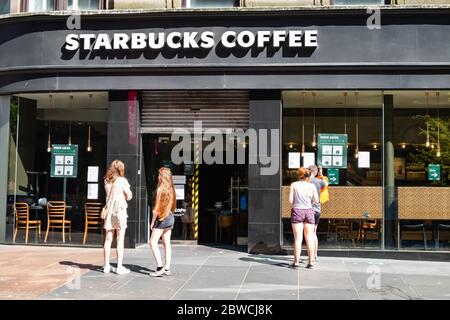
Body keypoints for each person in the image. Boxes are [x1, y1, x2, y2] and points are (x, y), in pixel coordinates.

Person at [103, 160, 133, 274]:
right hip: (119, 212)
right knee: (120, 239)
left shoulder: (107, 180)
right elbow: (129, 196)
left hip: (109, 212)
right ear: (121, 169)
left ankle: (106, 266)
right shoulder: (122, 180)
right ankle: (119, 267)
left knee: (108, 239)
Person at [289, 167, 319, 269]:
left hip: (297, 210)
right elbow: (316, 200)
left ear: (299, 175)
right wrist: (309, 202)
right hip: (309, 211)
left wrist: (297, 202)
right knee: (309, 237)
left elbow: (290, 200)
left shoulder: (294, 185)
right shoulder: (312, 186)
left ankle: (296, 262)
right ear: (308, 176)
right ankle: (311, 262)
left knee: (298, 238)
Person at [149, 167, 176, 277]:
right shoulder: (171, 189)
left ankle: (159, 267)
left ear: (162, 176)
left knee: (152, 242)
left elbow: (156, 208)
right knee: (166, 243)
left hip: (162, 218)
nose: (158, 177)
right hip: (170, 216)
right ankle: (167, 268)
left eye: (159, 174)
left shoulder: (160, 189)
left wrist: (152, 221)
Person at [308, 165, 328, 263]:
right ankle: (315, 255)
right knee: (313, 233)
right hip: (317, 209)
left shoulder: (307, 181)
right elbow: (326, 184)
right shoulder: (319, 181)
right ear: (316, 172)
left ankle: (310, 256)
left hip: (308, 209)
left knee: (308, 234)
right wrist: (321, 174)